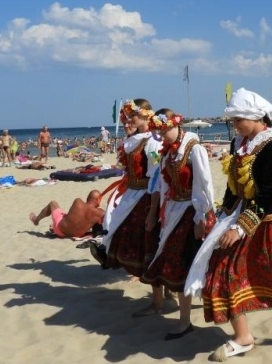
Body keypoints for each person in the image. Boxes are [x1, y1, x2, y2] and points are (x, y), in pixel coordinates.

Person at [185, 88, 272, 362]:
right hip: (241, 215)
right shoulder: (239, 143)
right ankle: (243, 337)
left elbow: (269, 191)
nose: (235, 125)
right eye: (233, 120)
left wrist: (239, 228)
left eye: (238, 119)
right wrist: (220, 216)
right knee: (222, 270)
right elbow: (234, 187)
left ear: (255, 117)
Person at [142, 109, 217, 340]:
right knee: (179, 266)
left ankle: (207, 313)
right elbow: (164, 184)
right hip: (175, 211)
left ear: (176, 125)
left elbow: (205, 184)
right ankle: (185, 320)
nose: (162, 135)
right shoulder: (167, 153)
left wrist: (201, 217)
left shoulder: (194, 148)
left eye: (165, 130)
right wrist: (161, 212)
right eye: (159, 132)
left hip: (193, 212)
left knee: (198, 265)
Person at [90, 100, 164, 310]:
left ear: (146, 115)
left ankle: (159, 299)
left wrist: (152, 203)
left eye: (133, 116)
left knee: (149, 244)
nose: (129, 120)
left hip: (146, 196)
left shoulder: (153, 140)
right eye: (128, 116)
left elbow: (156, 174)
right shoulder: (136, 140)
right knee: (137, 241)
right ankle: (159, 296)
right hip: (133, 193)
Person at [30, 190, 104, 239]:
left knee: (52, 203)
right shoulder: (100, 213)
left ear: (88, 198)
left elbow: (71, 218)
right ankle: (53, 226)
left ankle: (36, 220)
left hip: (60, 230)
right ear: (98, 201)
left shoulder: (78, 201)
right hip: (76, 235)